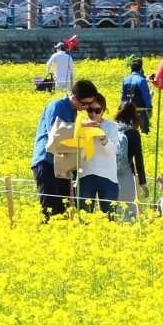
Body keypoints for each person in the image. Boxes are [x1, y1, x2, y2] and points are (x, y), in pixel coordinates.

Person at [31, 79, 101, 220]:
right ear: (74, 97)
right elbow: (56, 134)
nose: (86, 108)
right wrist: (83, 127)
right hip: (47, 162)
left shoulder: (73, 110)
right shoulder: (57, 105)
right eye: (84, 104)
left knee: (63, 210)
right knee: (50, 209)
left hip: (62, 164)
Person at [74, 92, 120, 215]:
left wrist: (103, 137)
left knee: (110, 218)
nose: (93, 114)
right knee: (83, 217)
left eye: (97, 110)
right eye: (89, 110)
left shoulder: (112, 126)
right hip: (85, 176)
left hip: (108, 178)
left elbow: (114, 152)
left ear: (103, 110)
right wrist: (83, 133)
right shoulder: (81, 126)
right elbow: (78, 154)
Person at [113, 102, 148, 221]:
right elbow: (139, 159)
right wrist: (143, 183)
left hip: (109, 172)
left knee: (113, 206)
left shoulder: (111, 129)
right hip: (126, 173)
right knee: (129, 208)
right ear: (134, 115)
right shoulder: (134, 133)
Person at [119, 56, 153, 134]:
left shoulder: (125, 79)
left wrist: (122, 108)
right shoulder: (141, 80)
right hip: (140, 109)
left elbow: (123, 96)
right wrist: (149, 108)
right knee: (144, 131)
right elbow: (146, 96)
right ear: (141, 69)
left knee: (129, 129)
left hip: (128, 109)